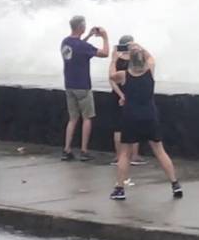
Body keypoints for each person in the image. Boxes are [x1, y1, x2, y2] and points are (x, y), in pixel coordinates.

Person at [108, 43, 183, 201]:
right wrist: (139, 47)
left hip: (130, 117)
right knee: (159, 151)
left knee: (125, 154)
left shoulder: (124, 75)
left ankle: (119, 189)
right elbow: (151, 57)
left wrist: (114, 59)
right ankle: (175, 184)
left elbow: (111, 76)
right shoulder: (150, 71)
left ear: (130, 61)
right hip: (150, 116)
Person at [60, 15, 109, 162]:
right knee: (87, 118)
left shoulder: (65, 42)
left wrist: (88, 36)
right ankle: (84, 150)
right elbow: (105, 53)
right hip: (83, 86)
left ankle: (67, 149)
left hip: (69, 84)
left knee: (73, 118)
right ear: (81, 27)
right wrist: (105, 37)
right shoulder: (83, 47)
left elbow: (78, 47)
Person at [110, 35, 144, 167]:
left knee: (118, 127)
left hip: (117, 96)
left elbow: (112, 80)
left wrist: (120, 94)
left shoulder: (116, 60)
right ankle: (134, 156)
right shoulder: (134, 59)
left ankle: (118, 156)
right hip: (132, 95)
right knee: (134, 125)